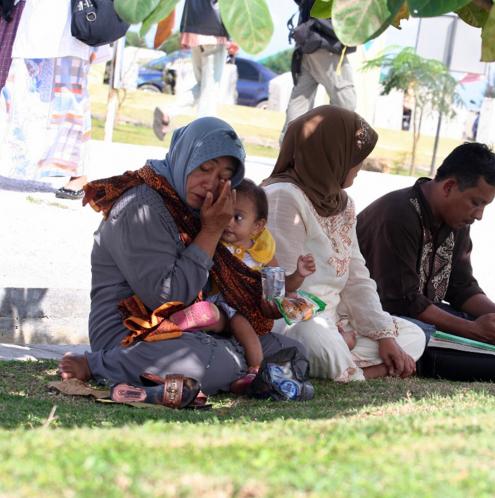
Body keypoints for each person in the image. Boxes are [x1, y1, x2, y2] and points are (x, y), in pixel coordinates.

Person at [58, 117, 308, 397]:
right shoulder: (141, 205)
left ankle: (218, 374)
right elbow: (166, 297)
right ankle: (97, 365)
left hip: (198, 328)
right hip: (132, 333)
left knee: (292, 350)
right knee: (211, 360)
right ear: (184, 158)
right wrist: (211, 230)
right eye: (204, 168)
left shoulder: (198, 209)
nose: (210, 183)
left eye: (224, 177)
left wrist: (229, 321)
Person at [262, 105, 426, 381]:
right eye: (355, 157)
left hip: (337, 320)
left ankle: (344, 364)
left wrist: (384, 336)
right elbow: (277, 291)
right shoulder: (283, 197)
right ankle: (367, 372)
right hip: (294, 320)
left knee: (413, 335)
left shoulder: (342, 203)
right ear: (331, 154)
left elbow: (357, 276)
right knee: (313, 338)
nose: (360, 166)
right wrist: (329, 330)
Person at [356, 142, 495, 349]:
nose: (479, 215)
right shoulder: (398, 214)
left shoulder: (457, 219)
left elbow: (461, 287)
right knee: (420, 335)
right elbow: (403, 301)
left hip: (420, 314)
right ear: (449, 187)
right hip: (382, 318)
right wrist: (474, 330)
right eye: (476, 202)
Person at [171, 178, 316, 393]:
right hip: (220, 299)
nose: (228, 222)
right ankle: (255, 370)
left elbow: (279, 286)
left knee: (244, 324)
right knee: (240, 325)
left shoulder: (262, 251)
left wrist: (299, 274)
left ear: (258, 226)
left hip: (248, 306)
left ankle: (208, 319)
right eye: (226, 214)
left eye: (238, 217)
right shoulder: (215, 241)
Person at [0, 0, 108, 199]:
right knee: (18, 90)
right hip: (32, 20)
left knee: (71, 97)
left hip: (72, 26)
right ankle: (21, 161)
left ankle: (78, 173)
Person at [152, 0, 233, 140]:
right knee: (210, 91)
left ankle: (167, 112)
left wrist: (185, 30)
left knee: (203, 86)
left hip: (193, 32)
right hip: (215, 33)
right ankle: (202, 136)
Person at [280, 0, 356, 140]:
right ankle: (324, 145)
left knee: (300, 101)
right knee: (346, 103)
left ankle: (289, 151)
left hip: (308, 43)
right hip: (324, 45)